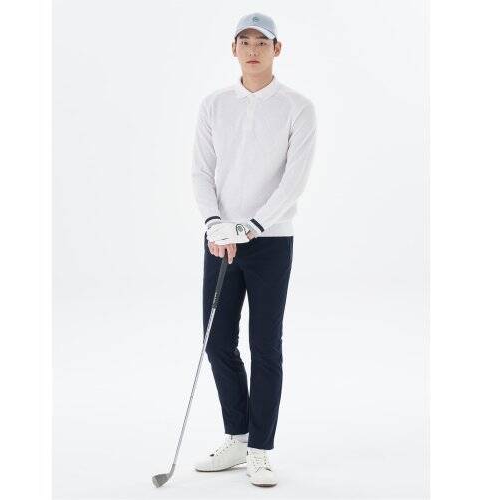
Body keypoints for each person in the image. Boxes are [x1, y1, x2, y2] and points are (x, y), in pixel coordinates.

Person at [191, 12, 317, 487]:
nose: (252, 50)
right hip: (220, 241)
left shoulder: (298, 107)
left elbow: (294, 180)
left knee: (265, 346)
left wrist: (251, 226)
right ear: (233, 49)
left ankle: (261, 449)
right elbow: (201, 171)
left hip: (270, 240)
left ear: (276, 49)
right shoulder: (213, 105)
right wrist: (216, 224)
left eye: (261, 42)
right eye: (244, 41)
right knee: (218, 341)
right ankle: (238, 437)